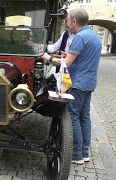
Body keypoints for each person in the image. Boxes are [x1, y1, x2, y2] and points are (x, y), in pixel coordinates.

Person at [41, 8, 102, 165]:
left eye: (67, 21)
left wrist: (47, 57)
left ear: (74, 21)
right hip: (89, 82)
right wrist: (64, 55)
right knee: (84, 116)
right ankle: (84, 152)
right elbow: (81, 58)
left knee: (72, 116)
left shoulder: (80, 37)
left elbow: (66, 63)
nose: (67, 24)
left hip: (78, 83)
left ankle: (76, 154)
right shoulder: (94, 36)